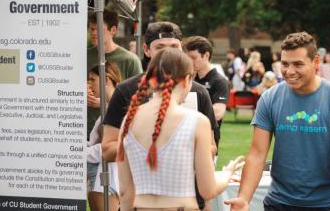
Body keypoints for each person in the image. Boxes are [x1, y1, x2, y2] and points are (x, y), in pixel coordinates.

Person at [225, 32, 330, 211]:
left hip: (325, 205)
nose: (289, 71)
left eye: (298, 64)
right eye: (285, 64)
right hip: (279, 203)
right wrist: (243, 198)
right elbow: (257, 154)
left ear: (316, 62)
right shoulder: (270, 98)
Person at [101, 22, 219, 210]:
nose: (167, 54)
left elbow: (212, 146)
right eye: (160, 47)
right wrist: (149, 145)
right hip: (142, 198)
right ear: (147, 50)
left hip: (189, 197)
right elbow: (107, 149)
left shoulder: (198, 92)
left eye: (174, 47)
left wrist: (183, 146)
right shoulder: (126, 90)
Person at [116, 48, 245, 210]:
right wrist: (228, 173)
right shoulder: (196, 122)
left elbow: (125, 193)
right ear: (187, 80)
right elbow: (208, 190)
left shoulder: (129, 120)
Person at [87, 11, 143, 135]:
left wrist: (106, 104)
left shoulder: (130, 60)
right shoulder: (83, 56)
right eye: (91, 29)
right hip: (82, 129)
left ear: (113, 30)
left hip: (116, 131)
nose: (94, 33)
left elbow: (138, 99)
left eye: (99, 29)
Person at [87, 62, 122, 211]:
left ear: (106, 80)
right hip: (101, 180)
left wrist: (79, 153)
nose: (88, 84)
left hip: (107, 181)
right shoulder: (109, 108)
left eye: (92, 79)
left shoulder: (118, 108)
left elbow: (114, 146)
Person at [183, 36, 230, 129]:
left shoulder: (219, 81)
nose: (190, 61)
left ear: (206, 55)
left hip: (209, 136)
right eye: (187, 58)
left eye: (193, 57)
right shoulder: (188, 79)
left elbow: (218, 113)